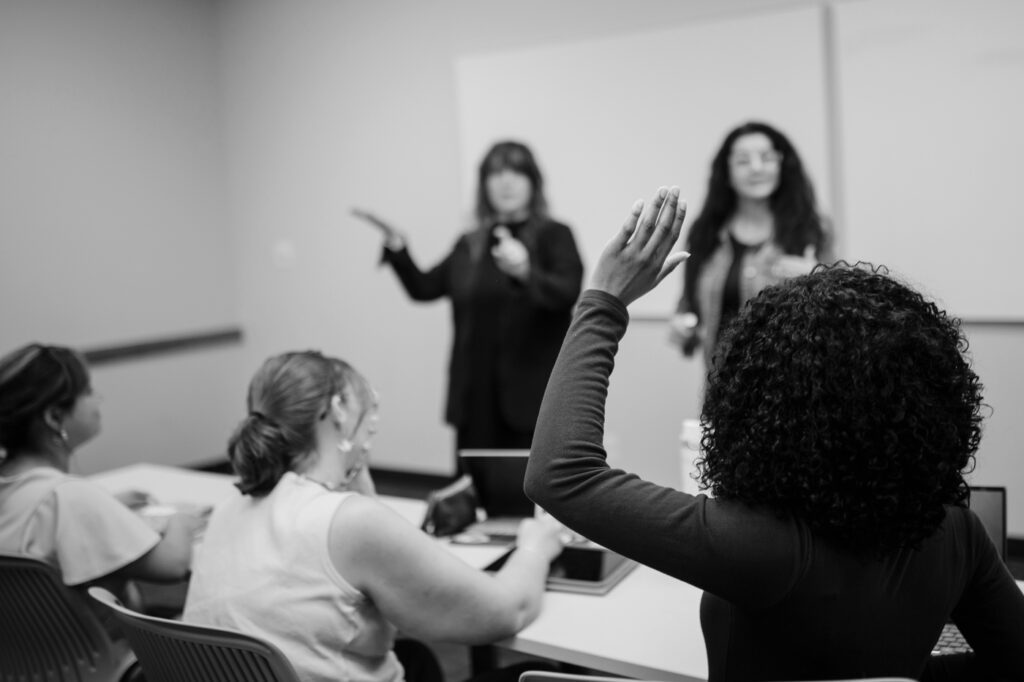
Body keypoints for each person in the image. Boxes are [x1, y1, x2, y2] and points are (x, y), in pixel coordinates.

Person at [525, 186, 1024, 681]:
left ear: (756, 404)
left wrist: (604, 301)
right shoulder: (958, 533)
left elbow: (562, 475)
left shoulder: (758, 546)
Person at [183, 350, 566, 682]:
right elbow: (506, 612)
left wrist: (354, 478)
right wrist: (536, 547)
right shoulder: (349, 522)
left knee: (415, 658)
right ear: (339, 409)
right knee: (540, 675)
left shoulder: (230, 506)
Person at [353, 140, 584, 466]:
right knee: (472, 487)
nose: (506, 182)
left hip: (532, 399)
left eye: (516, 172)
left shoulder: (555, 235)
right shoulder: (471, 242)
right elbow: (424, 288)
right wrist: (397, 245)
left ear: (533, 181)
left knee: (527, 489)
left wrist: (525, 271)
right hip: (474, 399)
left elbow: (567, 293)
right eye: (496, 173)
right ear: (484, 184)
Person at [0, 343, 202, 624]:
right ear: (55, 416)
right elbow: (172, 565)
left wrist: (108, 506)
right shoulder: (69, 497)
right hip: (107, 649)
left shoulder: (23, 488)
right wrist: (182, 521)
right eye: (88, 391)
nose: (99, 399)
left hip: (27, 648)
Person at [669, 121, 833, 369]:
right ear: (727, 172)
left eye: (766, 158)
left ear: (781, 165)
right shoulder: (706, 232)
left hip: (791, 380)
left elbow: (837, 314)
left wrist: (817, 278)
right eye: (743, 161)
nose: (756, 168)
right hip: (720, 381)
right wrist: (684, 324)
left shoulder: (811, 229)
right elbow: (689, 306)